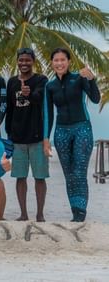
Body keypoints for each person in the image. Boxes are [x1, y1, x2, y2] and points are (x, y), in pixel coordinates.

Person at [43, 48, 100, 222]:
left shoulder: (79, 78)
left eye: (63, 60)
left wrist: (92, 79)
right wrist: (46, 139)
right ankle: (75, 210)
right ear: (52, 63)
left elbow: (96, 98)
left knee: (79, 172)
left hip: (82, 128)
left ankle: (81, 212)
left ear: (68, 62)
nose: (59, 63)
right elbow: (48, 114)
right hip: (61, 132)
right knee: (69, 174)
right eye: (56, 60)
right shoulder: (50, 86)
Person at [5, 48, 49, 222]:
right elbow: (9, 108)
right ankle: (23, 213)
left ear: (33, 61)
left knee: (40, 177)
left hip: (37, 138)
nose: (24, 63)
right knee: (20, 177)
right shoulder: (12, 82)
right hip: (17, 139)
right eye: (21, 60)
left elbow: (39, 98)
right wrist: (9, 133)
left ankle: (40, 214)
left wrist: (29, 94)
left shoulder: (41, 80)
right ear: (17, 61)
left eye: (27, 60)